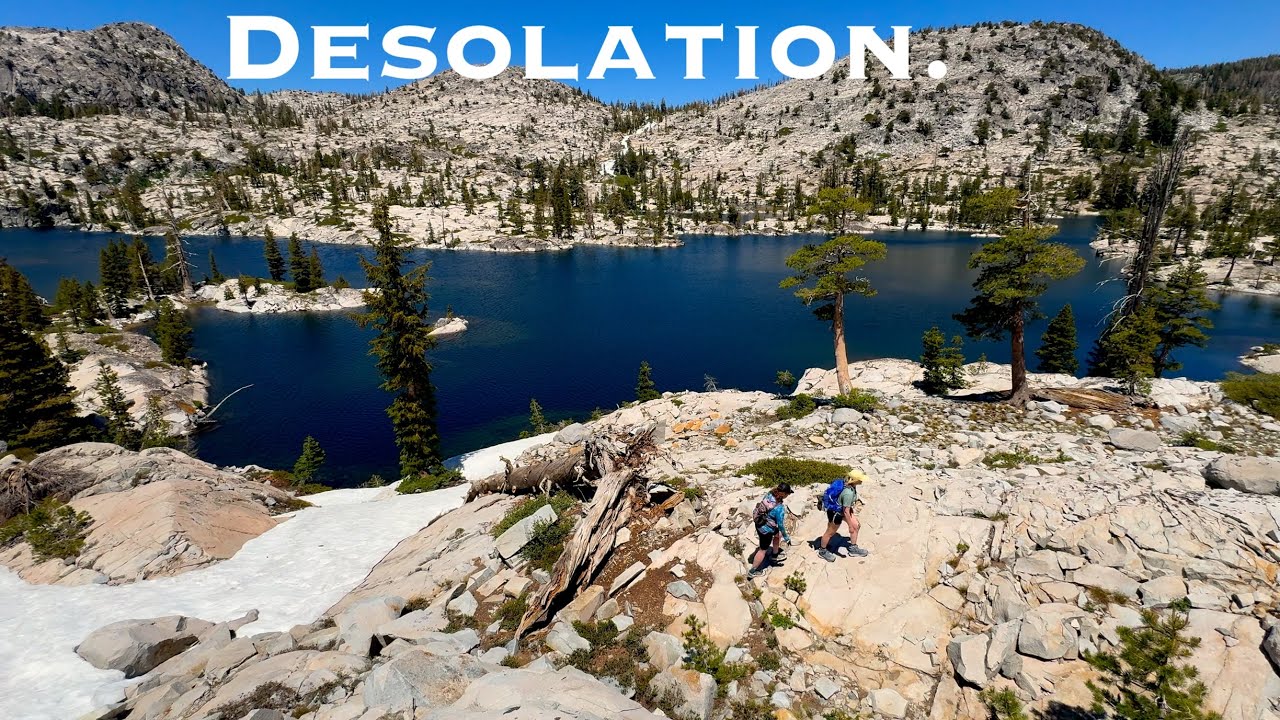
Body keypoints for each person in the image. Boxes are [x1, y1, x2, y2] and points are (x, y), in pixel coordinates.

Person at [817, 470, 869, 561]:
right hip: (836, 513)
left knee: (856, 526)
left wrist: (852, 525)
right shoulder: (848, 492)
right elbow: (846, 511)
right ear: (854, 480)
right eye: (860, 479)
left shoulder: (850, 486)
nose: (862, 481)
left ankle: (853, 548)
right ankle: (822, 551)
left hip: (843, 510)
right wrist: (849, 526)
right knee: (830, 532)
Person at [748, 483, 793, 578]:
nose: (788, 495)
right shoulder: (779, 508)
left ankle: (774, 554)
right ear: (783, 494)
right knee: (762, 550)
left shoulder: (770, 494)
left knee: (778, 534)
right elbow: (780, 525)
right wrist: (787, 538)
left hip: (759, 523)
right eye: (787, 494)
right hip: (766, 530)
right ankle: (753, 571)